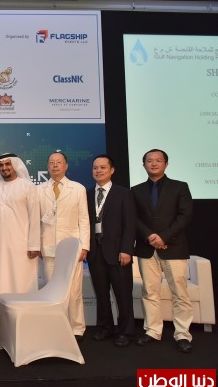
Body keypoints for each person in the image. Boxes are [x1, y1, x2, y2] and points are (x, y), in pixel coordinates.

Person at [131, 149, 194, 353]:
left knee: (180, 293)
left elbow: (185, 216)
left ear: (166, 164)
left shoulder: (180, 187)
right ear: (144, 165)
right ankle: (152, 331)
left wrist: (164, 237)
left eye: (158, 160)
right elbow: (134, 218)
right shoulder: (136, 190)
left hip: (174, 247)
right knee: (150, 292)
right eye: (149, 161)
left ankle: (182, 334)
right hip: (146, 248)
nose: (154, 163)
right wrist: (150, 236)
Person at [37, 151, 89, 341]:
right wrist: (38, 245)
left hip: (72, 249)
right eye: (51, 162)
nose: (55, 166)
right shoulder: (39, 189)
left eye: (58, 162)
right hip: (48, 248)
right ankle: (56, 327)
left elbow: (84, 219)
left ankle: (76, 328)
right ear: (47, 166)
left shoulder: (78, 189)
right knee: (52, 290)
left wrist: (85, 246)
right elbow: (36, 221)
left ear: (66, 165)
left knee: (73, 291)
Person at [86, 155, 136, 347]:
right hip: (95, 252)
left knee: (123, 294)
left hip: (118, 253)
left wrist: (126, 250)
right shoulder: (87, 194)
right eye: (95, 168)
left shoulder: (123, 194)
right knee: (101, 293)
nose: (98, 171)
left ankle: (125, 332)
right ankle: (105, 328)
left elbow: (130, 224)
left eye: (103, 167)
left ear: (112, 170)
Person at [0, 153, 40, 331]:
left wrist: (34, 245)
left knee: (23, 283)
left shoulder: (27, 186)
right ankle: (4, 325)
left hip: (23, 245)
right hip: (1, 246)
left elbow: (35, 217)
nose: (4, 168)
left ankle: (27, 323)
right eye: (1, 165)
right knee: (3, 283)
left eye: (8, 164)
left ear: (15, 166)